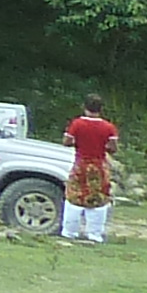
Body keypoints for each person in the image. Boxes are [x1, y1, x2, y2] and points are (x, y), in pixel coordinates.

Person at [61, 99, 118, 246]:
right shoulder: (108, 127)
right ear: (101, 109)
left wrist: (79, 143)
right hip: (99, 166)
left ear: (84, 107)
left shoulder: (77, 124)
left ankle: (69, 232)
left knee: (74, 197)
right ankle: (94, 234)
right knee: (99, 199)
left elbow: (67, 142)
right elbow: (113, 148)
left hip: (81, 165)